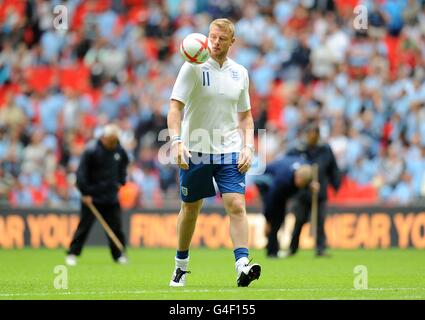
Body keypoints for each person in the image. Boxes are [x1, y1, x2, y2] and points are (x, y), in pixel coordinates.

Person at [167, 18, 261, 287]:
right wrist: (176, 141)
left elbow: (245, 117)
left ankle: (242, 266)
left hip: (229, 151)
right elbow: (175, 108)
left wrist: (248, 146)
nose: (215, 42)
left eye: (221, 38)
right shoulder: (192, 67)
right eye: (212, 36)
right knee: (191, 209)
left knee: (236, 204)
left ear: (233, 42)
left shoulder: (240, 73)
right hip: (195, 149)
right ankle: (181, 266)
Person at [65, 124, 130, 266]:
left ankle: (119, 254)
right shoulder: (91, 151)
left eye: (115, 140)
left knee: (116, 227)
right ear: (104, 138)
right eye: (111, 140)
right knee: (84, 227)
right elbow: (81, 174)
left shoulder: (120, 151)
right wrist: (85, 193)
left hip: (111, 197)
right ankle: (72, 253)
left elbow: (123, 168)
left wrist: (121, 182)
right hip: (92, 197)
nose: (113, 143)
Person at [286, 122, 341, 257]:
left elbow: (333, 168)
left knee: (320, 221)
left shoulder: (325, 150)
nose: (312, 137)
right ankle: (292, 248)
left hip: (320, 193)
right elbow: (289, 166)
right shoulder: (297, 150)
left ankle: (320, 248)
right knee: (299, 220)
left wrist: (336, 184)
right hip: (302, 193)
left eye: (314, 135)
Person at [255, 156, 318, 257]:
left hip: (278, 182)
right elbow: (271, 200)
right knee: (276, 220)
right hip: (265, 182)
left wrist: (310, 184)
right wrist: (267, 219)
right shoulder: (282, 181)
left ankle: (273, 246)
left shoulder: (306, 166)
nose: (301, 186)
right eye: (301, 183)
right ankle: (271, 252)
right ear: (297, 177)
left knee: (280, 217)